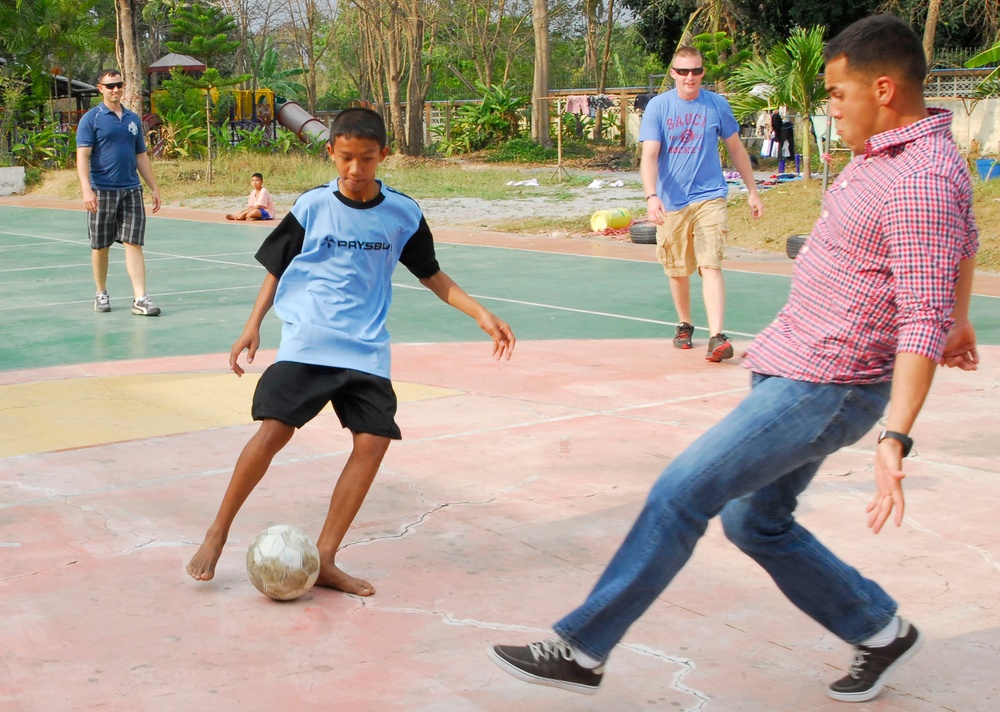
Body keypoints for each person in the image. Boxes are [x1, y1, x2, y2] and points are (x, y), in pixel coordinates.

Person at [490, 14, 978, 704]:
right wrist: (963, 320)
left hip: (826, 383)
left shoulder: (921, 176)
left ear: (886, 88)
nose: (828, 107)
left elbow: (921, 317)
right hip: (795, 360)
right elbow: (967, 243)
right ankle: (878, 629)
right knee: (757, 521)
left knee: (682, 491)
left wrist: (896, 434)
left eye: (838, 94)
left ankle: (582, 647)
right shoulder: (889, 155)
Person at [187, 108, 516, 595]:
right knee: (274, 431)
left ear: (384, 155)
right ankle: (217, 531)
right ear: (331, 153)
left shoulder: (402, 213)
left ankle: (326, 557)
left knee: (373, 440)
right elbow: (276, 267)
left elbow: (431, 274)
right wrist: (252, 325)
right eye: (345, 158)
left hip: (366, 350)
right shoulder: (313, 205)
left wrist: (479, 313)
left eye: (366, 159)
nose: (355, 170)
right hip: (308, 339)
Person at [639, 47, 764, 362]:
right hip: (671, 202)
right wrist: (651, 196)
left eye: (695, 71)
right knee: (678, 269)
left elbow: (735, 149)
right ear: (673, 73)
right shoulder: (658, 107)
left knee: (711, 264)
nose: (689, 77)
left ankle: (717, 336)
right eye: (683, 71)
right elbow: (650, 155)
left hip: (710, 196)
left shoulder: (716, 105)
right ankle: (684, 324)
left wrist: (752, 189)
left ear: (703, 73)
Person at [76, 68, 162, 316]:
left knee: (133, 243)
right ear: (100, 88)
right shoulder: (91, 119)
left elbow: (141, 156)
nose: (116, 90)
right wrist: (86, 189)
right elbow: (82, 156)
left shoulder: (133, 119)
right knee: (100, 245)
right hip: (102, 191)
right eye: (110, 86)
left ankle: (140, 298)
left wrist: (153, 187)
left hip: (131, 190)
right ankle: (101, 293)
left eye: (119, 85)